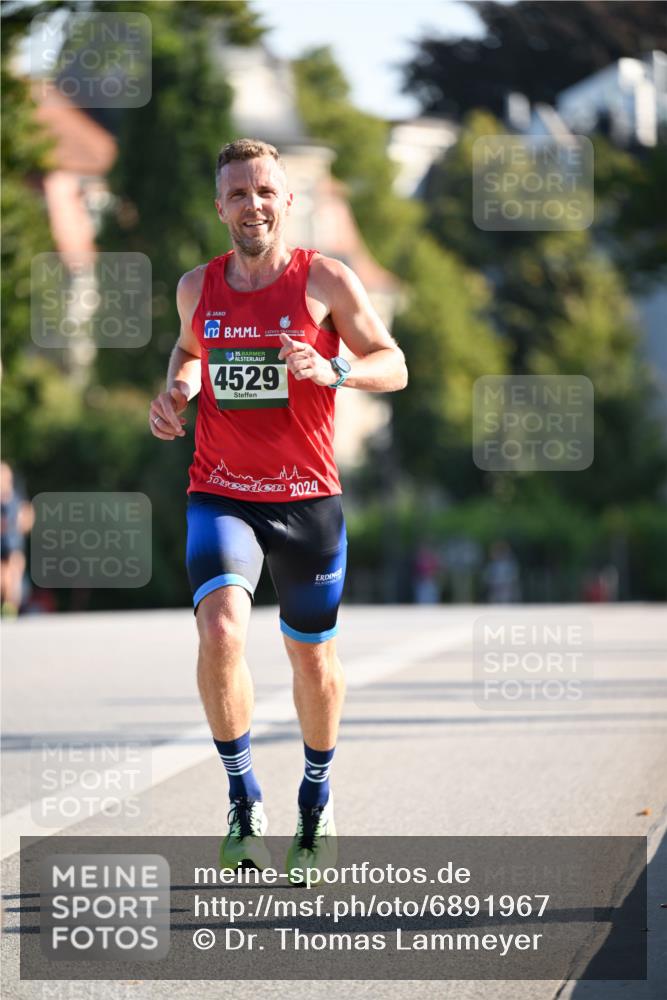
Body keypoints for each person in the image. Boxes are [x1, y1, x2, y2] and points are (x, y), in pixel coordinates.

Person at [149, 138, 407, 877]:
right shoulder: (197, 287)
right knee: (222, 630)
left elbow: (393, 363)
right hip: (221, 491)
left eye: (264, 191)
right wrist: (176, 395)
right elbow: (189, 354)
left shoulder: (325, 279)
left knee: (311, 658)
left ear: (287, 201)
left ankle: (316, 800)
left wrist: (334, 368)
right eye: (237, 193)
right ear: (220, 206)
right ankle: (242, 797)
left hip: (307, 501)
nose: (251, 205)